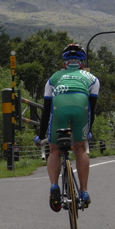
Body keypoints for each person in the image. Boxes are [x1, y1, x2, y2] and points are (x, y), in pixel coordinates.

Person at [34, 44, 100, 212]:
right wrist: (88, 132)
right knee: (80, 148)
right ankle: (84, 192)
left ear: (64, 63)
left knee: (54, 150)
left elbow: (47, 109)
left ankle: (54, 186)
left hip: (59, 108)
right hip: (81, 107)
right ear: (82, 63)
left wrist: (41, 135)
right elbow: (91, 109)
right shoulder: (92, 78)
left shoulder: (53, 78)